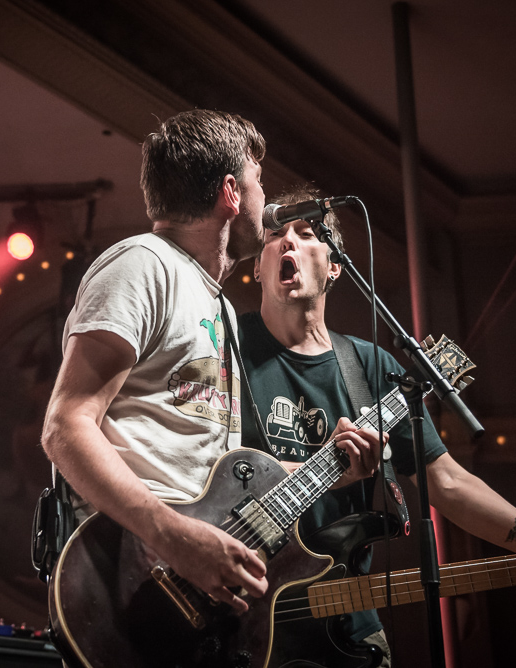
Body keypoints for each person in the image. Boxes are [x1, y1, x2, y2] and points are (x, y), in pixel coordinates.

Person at [238, 184, 516, 666]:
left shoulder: (368, 368)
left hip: (344, 627)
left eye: (306, 233)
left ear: (336, 266)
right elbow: (190, 465)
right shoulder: (225, 348)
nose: (288, 241)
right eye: (274, 235)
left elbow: (448, 482)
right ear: (256, 265)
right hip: (237, 614)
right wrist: (327, 472)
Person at [39, 111, 382, 615]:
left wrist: (334, 469)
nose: (267, 202)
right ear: (231, 192)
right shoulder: (142, 265)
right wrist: (173, 536)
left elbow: (208, 472)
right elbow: (65, 426)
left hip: (189, 588)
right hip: (131, 577)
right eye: (259, 182)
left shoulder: (218, 306)